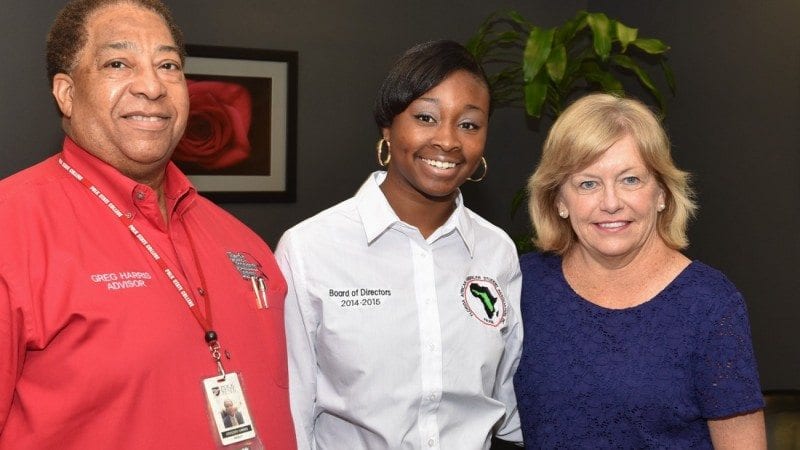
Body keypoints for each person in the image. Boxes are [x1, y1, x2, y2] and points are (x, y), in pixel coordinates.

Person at [0, 1, 295, 448]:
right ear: (66, 92)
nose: (153, 86)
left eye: (168, 65)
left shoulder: (244, 243)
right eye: (118, 63)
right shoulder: (12, 227)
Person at [276, 40, 523, 449]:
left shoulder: (496, 252)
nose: (447, 141)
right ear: (387, 128)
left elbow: (506, 394)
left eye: (469, 124)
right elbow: (292, 405)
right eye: (426, 117)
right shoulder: (310, 249)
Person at [514, 93, 766, 448]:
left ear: (661, 192)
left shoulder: (709, 305)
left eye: (630, 179)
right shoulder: (524, 286)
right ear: (559, 201)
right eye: (588, 183)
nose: (612, 202)